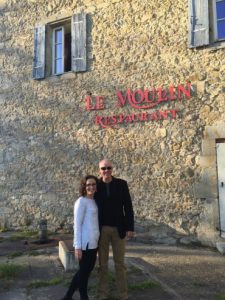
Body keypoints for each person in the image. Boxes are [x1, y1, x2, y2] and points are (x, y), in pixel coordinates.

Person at [95, 159, 134, 300]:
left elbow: (128, 207)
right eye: (103, 168)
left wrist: (130, 227)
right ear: (99, 170)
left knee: (120, 264)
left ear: (112, 169)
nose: (106, 171)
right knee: (102, 264)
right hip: (102, 230)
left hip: (119, 229)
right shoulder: (95, 185)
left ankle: (123, 295)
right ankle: (102, 293)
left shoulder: (122, 184)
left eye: (109, 168)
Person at [61, 175, 99, 300]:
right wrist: (77, 246)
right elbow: (77, 225)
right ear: (84, 186)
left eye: (93, 184)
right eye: (88, 185)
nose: (91, 187)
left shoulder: (94, 200)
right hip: (85, 244)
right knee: (83, 273)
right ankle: (84, 297)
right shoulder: (81, 201)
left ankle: (68, 296)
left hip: (94, 242)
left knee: (85, 272)